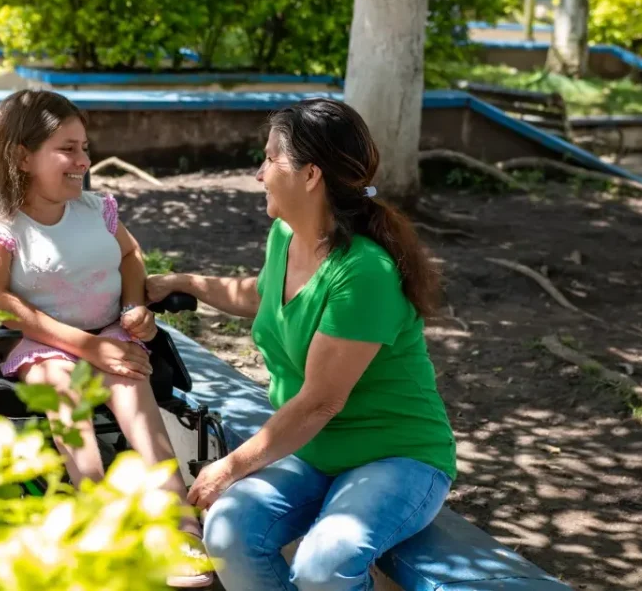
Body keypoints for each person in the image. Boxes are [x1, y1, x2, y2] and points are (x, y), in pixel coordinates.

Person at [146, 98, 457, 591]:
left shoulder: (364, 272)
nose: (258, 172)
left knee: (323, 565)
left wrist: (231, 465)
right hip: (316, 451)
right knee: (229, 531)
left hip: (396, 456)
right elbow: (267, 295)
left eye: (270, 158)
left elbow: (320, 401)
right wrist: (185, 281)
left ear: (310, 175)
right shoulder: (285, 236)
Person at [0, 89, 213, 588]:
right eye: (67, 149)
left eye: (85, 148)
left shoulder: (97, 208)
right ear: (21, 156)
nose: (83, 161)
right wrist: (86, 345)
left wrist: (135, 305)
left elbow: (131, 256)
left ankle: (179, 524)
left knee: (131, 383)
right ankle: (96, 516)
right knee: (64, 378)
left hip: (109, 334)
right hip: (38, 341)